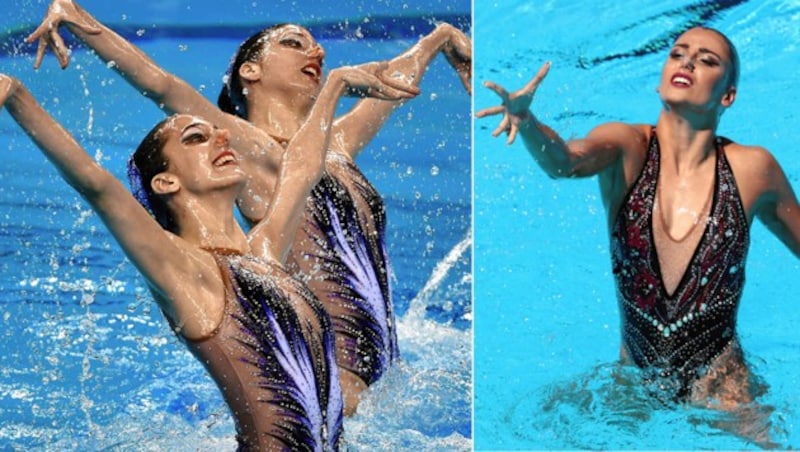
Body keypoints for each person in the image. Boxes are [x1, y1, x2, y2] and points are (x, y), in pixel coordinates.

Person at [27, 0, 471, 413]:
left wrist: (441, 38)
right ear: (250, 71)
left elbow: (396, 82)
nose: (314, 50)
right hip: (341, 388)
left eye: (314, 44)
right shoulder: (248, 150)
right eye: (292, 42)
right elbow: (160, 85)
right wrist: (77, 18)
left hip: (389, 383)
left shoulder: (336, 143)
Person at [0, 60, 415, 448]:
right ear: (165, 182)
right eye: (196, 138)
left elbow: (302, 168)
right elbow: (97, 186)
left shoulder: (265, 251)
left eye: (216, 132)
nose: (222, 136)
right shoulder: (184, 270)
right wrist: (16, 95)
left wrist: (336, 84)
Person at [478, 27, 800, 409]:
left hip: (724, 389)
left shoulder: (752, 169)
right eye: (678, 54)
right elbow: (563, 162)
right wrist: (527, 121)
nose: (688, 62)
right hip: (633, 389)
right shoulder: (628, 147)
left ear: (728, 95)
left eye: (707, 60)